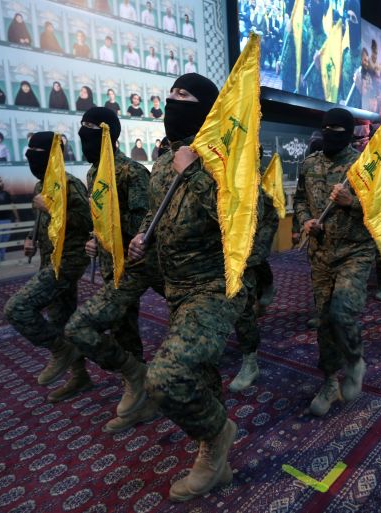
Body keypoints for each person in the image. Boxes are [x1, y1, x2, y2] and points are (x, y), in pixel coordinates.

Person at [127, 73, 242, 501]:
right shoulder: (162, 163)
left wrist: (193, 172)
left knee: (165, 378)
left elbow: (238, 220)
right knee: (202, 375)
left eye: (184, 94)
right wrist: (142, 237)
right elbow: (155, 214)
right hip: (175, 287)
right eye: (171, 93)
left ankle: (218, 434)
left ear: (206, 109)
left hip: (214, 286)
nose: (172, 100)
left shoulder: (227, 158)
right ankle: (216, 463)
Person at [62, 108, 164, 430]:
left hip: (136, 266)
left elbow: (143, 226)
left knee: (100, 325)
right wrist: (95, 240)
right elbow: (99, 219)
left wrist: (112, 235)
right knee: (123, 330)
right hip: (111, 267)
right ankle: (139, 390)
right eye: (81, 127)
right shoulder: (94, 173)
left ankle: (144, 384)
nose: (84, 133)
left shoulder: (131, 172)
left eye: (90, 127)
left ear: (108, 133)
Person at [293, 108, 374, 417]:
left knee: (342, 312)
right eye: (326, 128)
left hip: (355, 251)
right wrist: (305, 220)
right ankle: (328, 381)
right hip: (321, 254)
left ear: (349, 134)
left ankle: (354, 360)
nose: (330, 134)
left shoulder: (364, 166)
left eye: (337, 130)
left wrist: (350, 202)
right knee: (325, 321)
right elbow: (300, 200)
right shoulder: (310, 163)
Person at [4, 132, 92, 388]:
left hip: (67, 263)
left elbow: (89, 223)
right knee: (61, 320)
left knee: (17, 308)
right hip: (48, 261)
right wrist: (30, 239)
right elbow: (43, 223)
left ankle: (61, 350)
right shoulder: (40, 186)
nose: (31, 157)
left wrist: (53, 209)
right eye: (29, 151)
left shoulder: (70, 184)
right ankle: (80, 377)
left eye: (37, 153)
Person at [229, 149, 280, 392]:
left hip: (251, 244)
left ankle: (249, 360)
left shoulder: (262, 179)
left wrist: (258, 248)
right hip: (223, 248)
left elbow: (270, 215)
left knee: (242, 303)